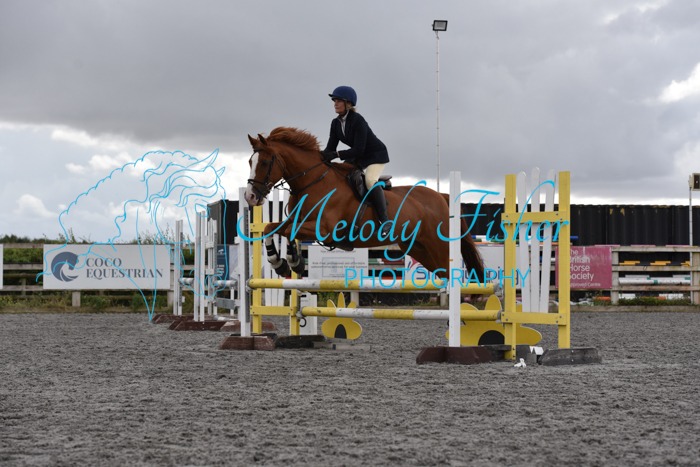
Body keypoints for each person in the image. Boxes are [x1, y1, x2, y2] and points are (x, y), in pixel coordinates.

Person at [322, 85, 392, 237]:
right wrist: (317, 157)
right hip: (358, 157)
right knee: (342, 179)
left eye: (338, 100)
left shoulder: (358, 120)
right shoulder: (335, 123)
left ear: (348, 103)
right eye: (334, 101)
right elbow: (330, 148)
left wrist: (337, 154)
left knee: (370, 181)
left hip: (375, 155)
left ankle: (385, 220)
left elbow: (359, 149)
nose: (335, 103)